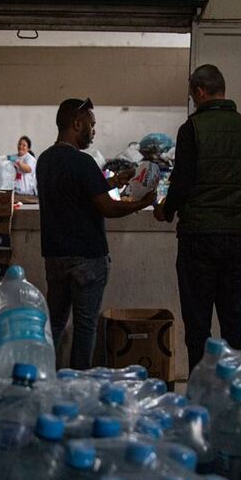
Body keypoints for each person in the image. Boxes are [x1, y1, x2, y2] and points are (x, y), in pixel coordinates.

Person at [154, 64, 241, 372]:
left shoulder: (192, 129)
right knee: (234, 323)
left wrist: (166, 210)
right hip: (236, 240)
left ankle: (202, 393)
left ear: (200, 92)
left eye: (193, 96)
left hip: (198, 240)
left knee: (198, 326)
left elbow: (182, 183)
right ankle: (234, 394)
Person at [37, 98, 156, 369]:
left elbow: (75, 193)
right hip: (87, 260)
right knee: (85, 327)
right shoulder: (83, 162)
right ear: (76, 124)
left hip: (55, 258)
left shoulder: (44, 161)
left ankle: (46, 376)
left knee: (54, 324)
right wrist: (143, 202)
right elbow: (108, 208)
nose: (93, 131)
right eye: (91, 125)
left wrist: (113, 181)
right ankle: (79, 383)